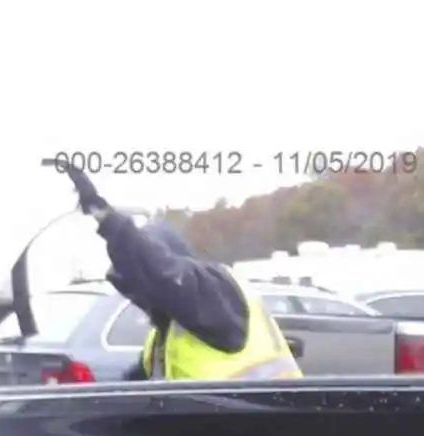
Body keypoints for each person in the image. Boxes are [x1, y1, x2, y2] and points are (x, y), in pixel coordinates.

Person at [59, 163, 301, 382]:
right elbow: (143, 380)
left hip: (261, 421)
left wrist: (106, 218)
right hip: (218, 424)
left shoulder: (212, 292)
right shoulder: (165, 333)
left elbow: (159, 269)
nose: (143, 294)